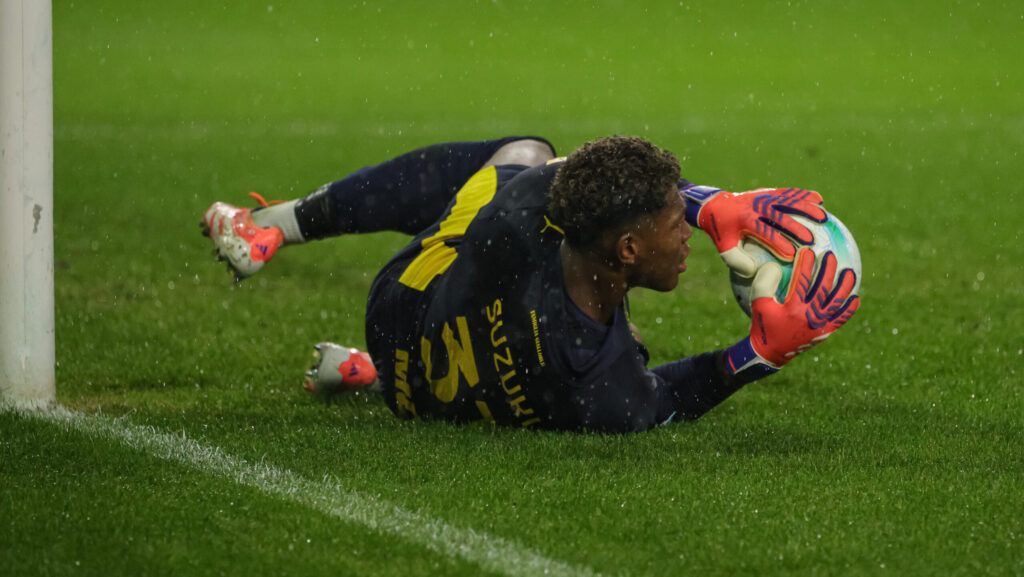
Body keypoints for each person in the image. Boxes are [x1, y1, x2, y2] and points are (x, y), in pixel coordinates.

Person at [201, 136, 859, 433]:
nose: (689, 232)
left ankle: (272, 228)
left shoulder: (517, 222)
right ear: (628, 249)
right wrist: (758, 355)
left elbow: (581, 172)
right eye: (677, 221)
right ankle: (366, 368)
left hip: (402, 316)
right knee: (618, 331)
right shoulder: (604, 384)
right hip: (426, 396)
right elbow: (667, 399)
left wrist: (710, 206)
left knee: (523, 153)